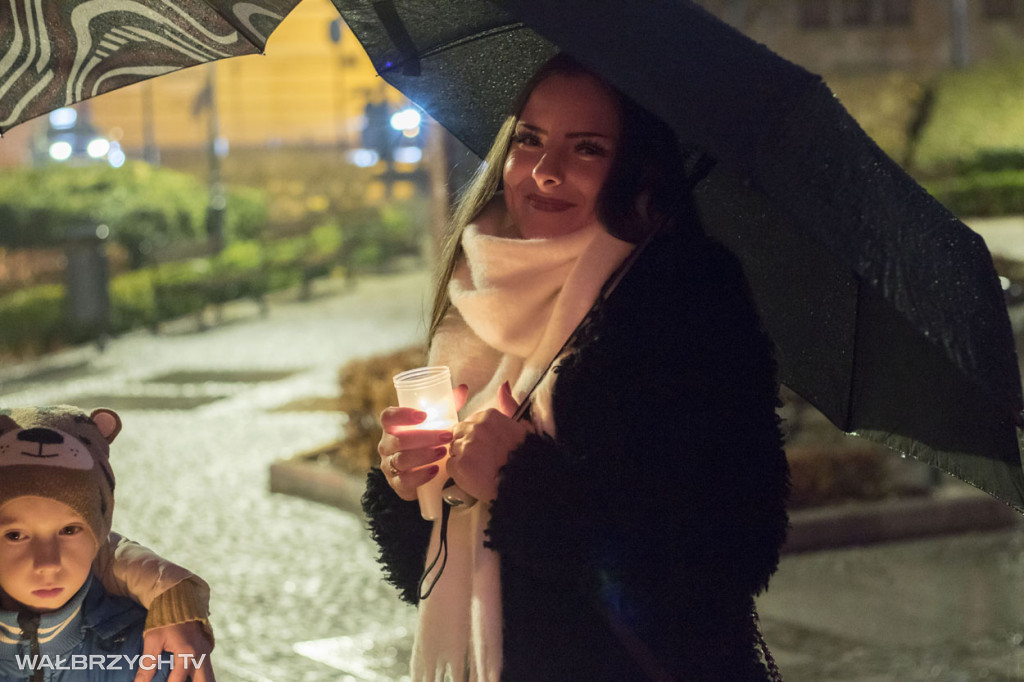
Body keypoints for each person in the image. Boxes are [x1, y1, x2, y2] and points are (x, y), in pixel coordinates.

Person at [365, 54, 790, 681]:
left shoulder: (684, 294)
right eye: (529, 139)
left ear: (637, 165)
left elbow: (729, 551)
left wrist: (521, 482)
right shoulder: (478, 283)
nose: (543, 171)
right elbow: (432, 573)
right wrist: (413, 490)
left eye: (586, 149)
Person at [0, 407, 212, 682]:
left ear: (99, 532)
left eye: (69, 530)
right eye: (15, 535)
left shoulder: (148, 653)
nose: (47, 563)